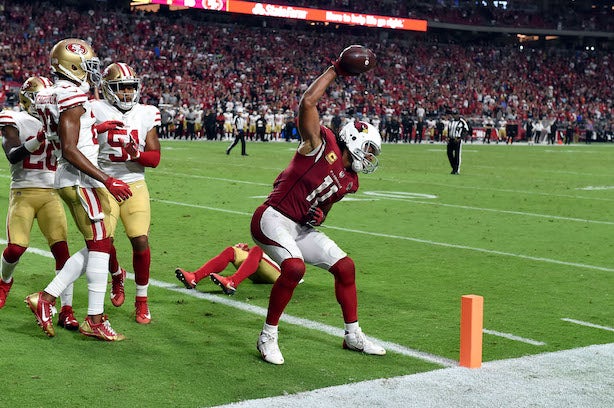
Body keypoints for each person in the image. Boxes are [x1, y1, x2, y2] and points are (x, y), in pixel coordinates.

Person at [249, 52, 385, 365]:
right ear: (352, 139)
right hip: (272, 218)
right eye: (368, 148)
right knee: (294, 268)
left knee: (345, 267)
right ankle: (267, 336)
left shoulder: (351, 180)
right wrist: (336, 69)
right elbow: (308, 103)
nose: (369, 155)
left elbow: (321, 207)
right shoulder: (320, 143)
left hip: (300, 227)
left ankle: (353, 335)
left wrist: (320, 214)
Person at [24, 38, 131, 341]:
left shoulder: (48, 93)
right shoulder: (71, 94)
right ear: (71, 65)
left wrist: (96, 129)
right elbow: (70, 148)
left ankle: (47, 299)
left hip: (68, 177)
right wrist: (107, 179)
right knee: (100, 245)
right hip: (79, 177)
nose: (91, 71)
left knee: (100, 242)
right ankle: (88, 316)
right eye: (87, 66)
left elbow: (64, 135)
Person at [0, 77, 78, 329]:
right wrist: (40, 138)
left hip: (51, 194)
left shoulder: (58, 121)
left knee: (62, 253)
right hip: (23, 192)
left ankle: (67, 308)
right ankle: (4, 281)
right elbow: (13, 155)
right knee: (15, 249)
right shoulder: (14, 119)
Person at [91, 62, 161, 324]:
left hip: (134, 183)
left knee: (140, 240)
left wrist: (138, 155)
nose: (128, 93)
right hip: (104, 183)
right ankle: (117, 274)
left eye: (132, 87)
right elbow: (78, 138)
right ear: (109, 90)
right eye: (122, 88)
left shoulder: (146, 113)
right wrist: (96, 129)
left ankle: (141, 300)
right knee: (103, 242)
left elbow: (154, 158)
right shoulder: (95, 109)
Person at [175, 243, 280, 295]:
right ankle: (194, 277)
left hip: (282, 271)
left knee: (257, 250)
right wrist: (248, 252)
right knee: (232, 251)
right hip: (267, 263)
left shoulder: (293, 218)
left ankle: (232, 282)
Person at [446, 110, 469, 175]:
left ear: (458, 114)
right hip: (451, 139)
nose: (454, 115)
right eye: (453, 114)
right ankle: (454, 167)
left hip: (457, 139)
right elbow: (449, 129)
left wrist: (461, 138)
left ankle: (456, 170)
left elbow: (466, 130)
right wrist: (448, 137)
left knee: (457, 155)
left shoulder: (462, 122)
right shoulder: (451, 122)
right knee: (449, 154)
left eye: (455, 114)